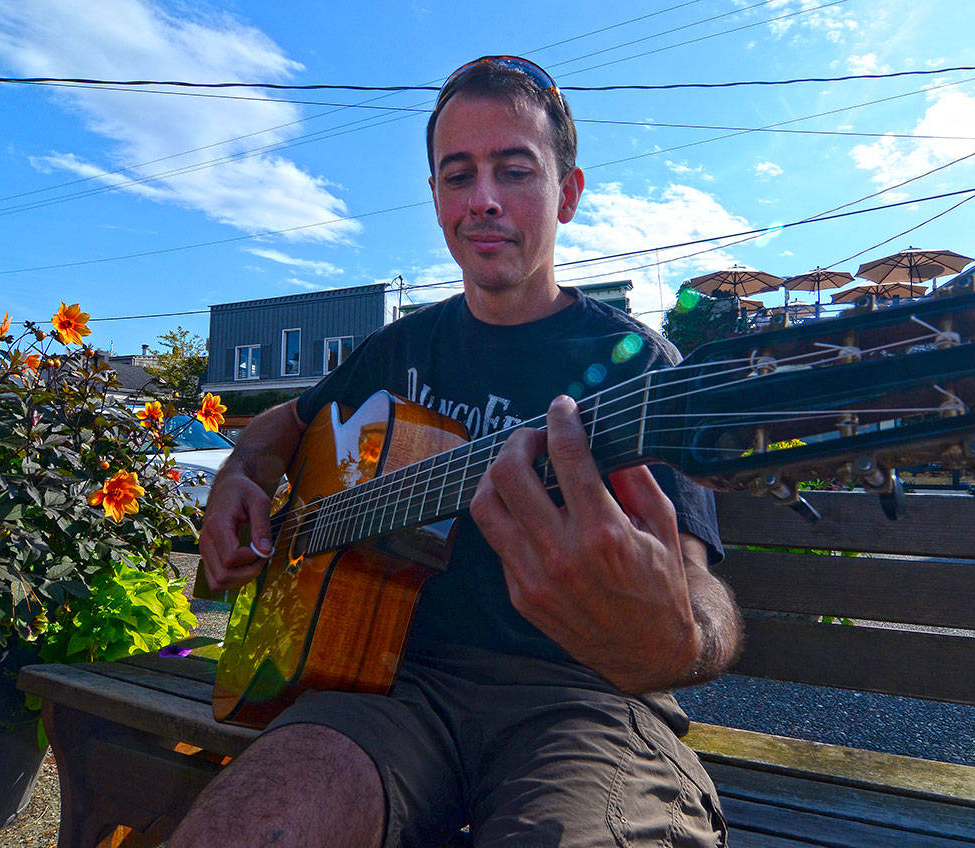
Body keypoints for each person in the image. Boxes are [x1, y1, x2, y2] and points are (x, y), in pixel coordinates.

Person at [171, 55, 743, 848]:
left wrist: (681, 641)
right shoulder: (396, 348)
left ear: (567, 194)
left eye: (515, 170)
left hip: (582, 704)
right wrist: (244, 472)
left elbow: (697, 588)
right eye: (458, 174)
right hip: (385, 692)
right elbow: (285, 420)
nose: (483, 200)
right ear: (436, 198)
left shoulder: (641, 371)